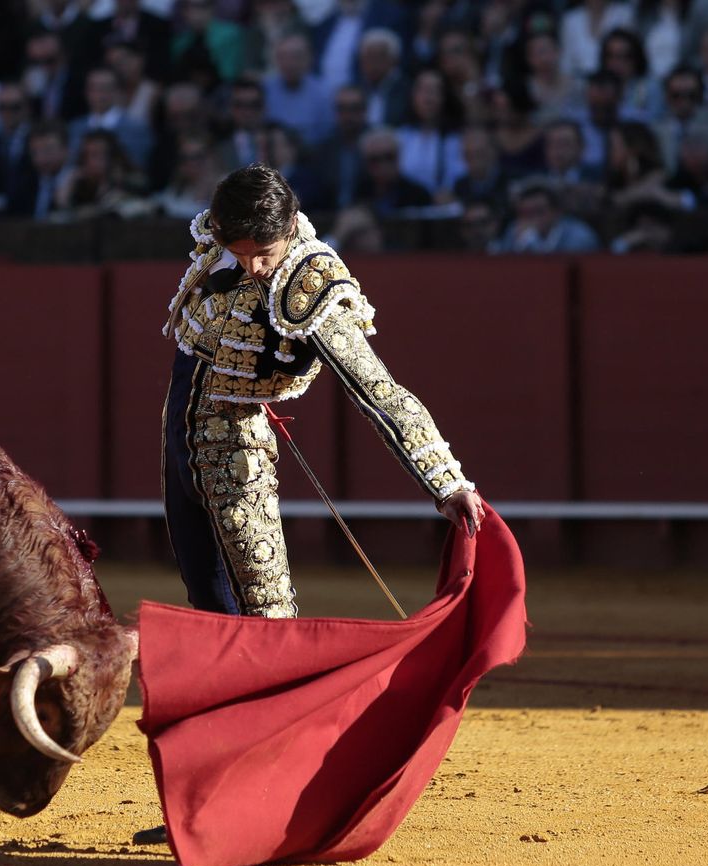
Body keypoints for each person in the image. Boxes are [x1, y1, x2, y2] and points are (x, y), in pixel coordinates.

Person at [157, 161, 482, 619]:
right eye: (239, 250)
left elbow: (379, 391)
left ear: (290, 227)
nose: (253, 266)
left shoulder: (311, 285)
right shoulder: (223, 238)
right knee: (206, 596)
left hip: (236, 451)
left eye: (264, 252)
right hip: (179, 436)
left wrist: (446, 483)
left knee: (263, 608)